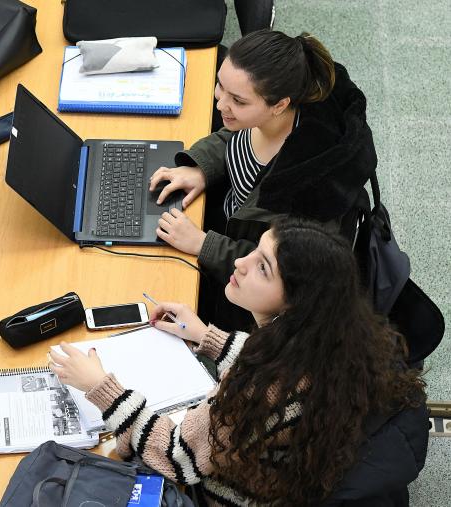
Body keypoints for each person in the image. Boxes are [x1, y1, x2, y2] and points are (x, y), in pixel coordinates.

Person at [49, 217, 425, 505]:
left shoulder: (262, 387)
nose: (241, 263)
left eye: (263, 267)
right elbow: (276, 370)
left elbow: (177, 457)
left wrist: (100, 388)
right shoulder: (333, 341)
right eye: (255, 252)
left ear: (296, 303)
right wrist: (206, 337)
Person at [148, 30, 376, 328]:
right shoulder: (268, 116)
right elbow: (233, 136)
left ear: (279, 105)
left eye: (238, 101)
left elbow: (273, 273)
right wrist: (202, 168)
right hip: (227, 229)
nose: (220, 105)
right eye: (220, 86)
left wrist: (203, 244)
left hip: (242, 291)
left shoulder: (309, 191)